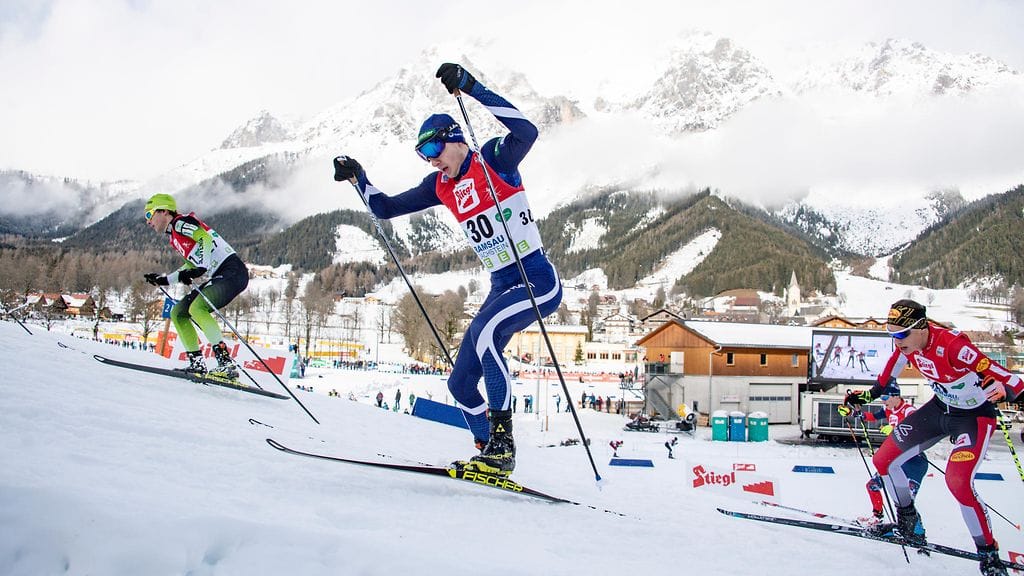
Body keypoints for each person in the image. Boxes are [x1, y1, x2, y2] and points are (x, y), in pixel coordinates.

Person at [332, 63, 562, 477]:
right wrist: (359, 178)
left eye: (434, 152)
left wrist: (471, 87)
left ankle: (504, 447)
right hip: (502, 285)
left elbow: (527, 131)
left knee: (490, 335)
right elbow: (384, 208)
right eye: (423, 156)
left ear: (455, 140)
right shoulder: (439, 186)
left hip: (536, 279)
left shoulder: (494, 158)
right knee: (459, 384)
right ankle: (485, 444)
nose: (431, 162)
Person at [843, 299, 1022, 576]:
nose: (896, 340)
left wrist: (1002, 389)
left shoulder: (954, 346)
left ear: (921, 327)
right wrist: (865, 397)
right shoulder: (908, 345)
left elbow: (1012, 381)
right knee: (884, 460)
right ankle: (909, 522)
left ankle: (988, 554)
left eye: (901, 334)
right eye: (891, 334)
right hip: (939, 410)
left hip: (973, 418)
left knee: (958, 482)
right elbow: (887, 376)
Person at [142, 193, 248, 380]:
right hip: (222, 274)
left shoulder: (180, 223)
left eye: (149, 215)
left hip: (233, 272)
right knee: (178, 312)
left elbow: (204, 239)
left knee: (197, 308)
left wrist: (201, 267)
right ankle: (197, 362)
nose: (148, 222)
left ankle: (226, 364)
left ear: (164, 211)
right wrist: (163, 280)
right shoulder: (174, 236)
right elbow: (191, 265)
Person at [838, 382, 928, 526]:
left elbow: (917, 429)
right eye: (882, 397)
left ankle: (916, 531)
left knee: (907, 502)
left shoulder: (908, 410)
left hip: (914, 462)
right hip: (895, 460)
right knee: (872, 485)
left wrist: (894, 429)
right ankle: (877, 517)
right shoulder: (888, 409)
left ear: (896, 396)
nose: (883, 400)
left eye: (885, 397)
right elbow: (872, 417)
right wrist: (851, 413)